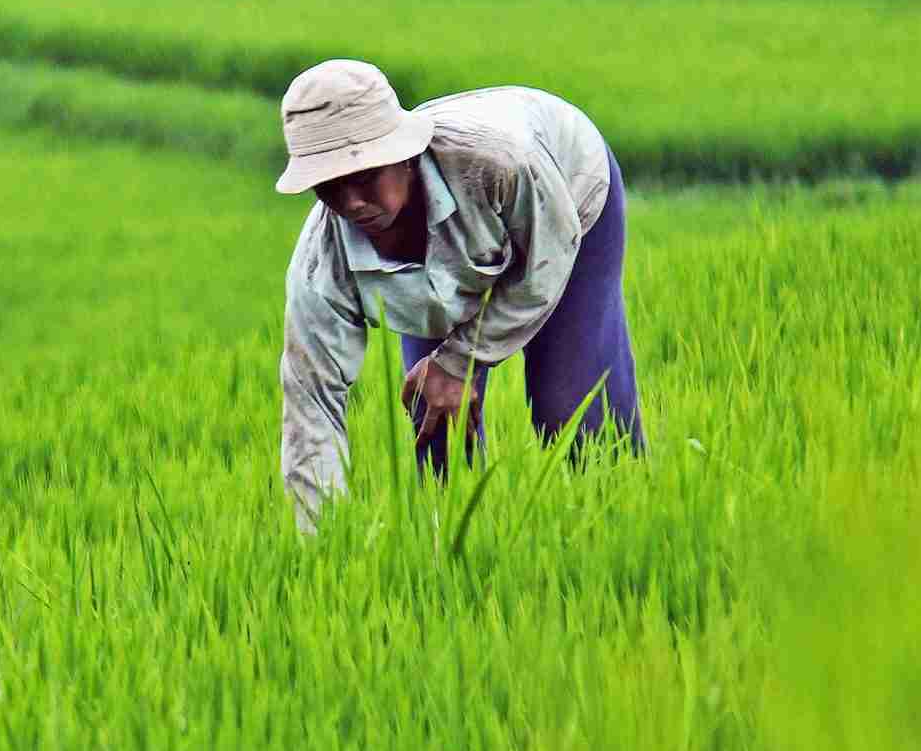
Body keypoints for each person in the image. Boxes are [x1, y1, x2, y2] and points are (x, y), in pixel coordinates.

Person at [276, 59, 645, 533]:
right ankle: (461, 563)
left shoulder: (504, 164)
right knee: (435, 423)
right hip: (462, 254)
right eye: (327, 186)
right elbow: (312, 401)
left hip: (565, 199)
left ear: (403, 156)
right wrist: (321, 543)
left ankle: (626, 528)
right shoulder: (320, 264)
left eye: (364, 177)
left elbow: (545, 266)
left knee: (569, 405)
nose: (350, 202)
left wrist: (462, 359)